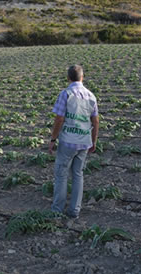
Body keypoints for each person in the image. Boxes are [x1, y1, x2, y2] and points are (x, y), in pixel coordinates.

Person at [49, 65, 99, 219]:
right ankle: (74, 210)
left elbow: (59, 118)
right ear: (82, 77)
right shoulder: (91, 96)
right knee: (78, 175)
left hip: (68, 141)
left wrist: (53, 139)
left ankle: (57, 210)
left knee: (61, 175)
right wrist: (93, 141)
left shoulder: (66, 94)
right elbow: (95, 121)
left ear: (68, 78)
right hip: (84, 141)